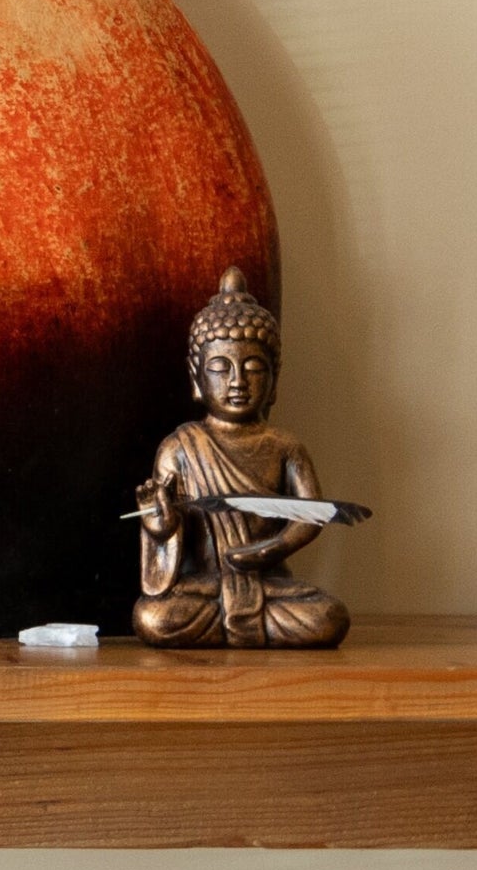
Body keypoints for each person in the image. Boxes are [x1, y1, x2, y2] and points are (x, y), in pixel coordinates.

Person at [132, 270, 349, 648]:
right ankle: (243, 622)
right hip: (205, 586)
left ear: (274, 380)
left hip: (268, 582)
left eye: (253, 368)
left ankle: (245, 620)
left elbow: (312, 516)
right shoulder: (179, 447)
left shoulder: (285, 446)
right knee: (153, 618)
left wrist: (269, 550)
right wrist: (161, 526)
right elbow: (168, 544)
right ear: (196, 377)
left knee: (328, 616)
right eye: (220, 368)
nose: (237, 382)